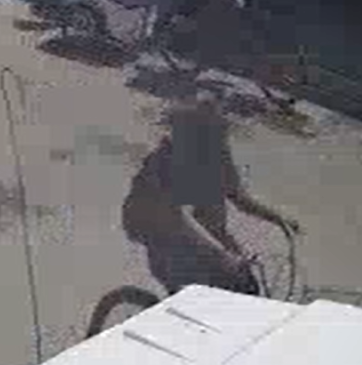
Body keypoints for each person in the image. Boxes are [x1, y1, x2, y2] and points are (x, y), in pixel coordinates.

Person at [121, 94, 300, 297]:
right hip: (154, 224)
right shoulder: (168, 161)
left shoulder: (218, 156)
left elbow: (239, 199)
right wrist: (224, 253)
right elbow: (181, 217)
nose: (221, 137)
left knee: (244, 279)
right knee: (210, 279)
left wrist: (279, 218)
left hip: (195, 225)